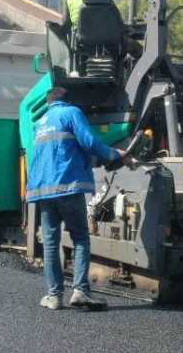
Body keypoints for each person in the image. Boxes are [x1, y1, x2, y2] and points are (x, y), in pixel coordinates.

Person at [25, 86, 126, 310]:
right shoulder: (72, 113)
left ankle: (54, 296)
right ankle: (80, 291)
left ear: (48, 104)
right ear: (67, 101)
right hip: (68, 186)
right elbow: (89, 143)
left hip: (43, 191)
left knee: (51, 243)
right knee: (80, 237)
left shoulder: (39, 124)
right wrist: (114, 154)